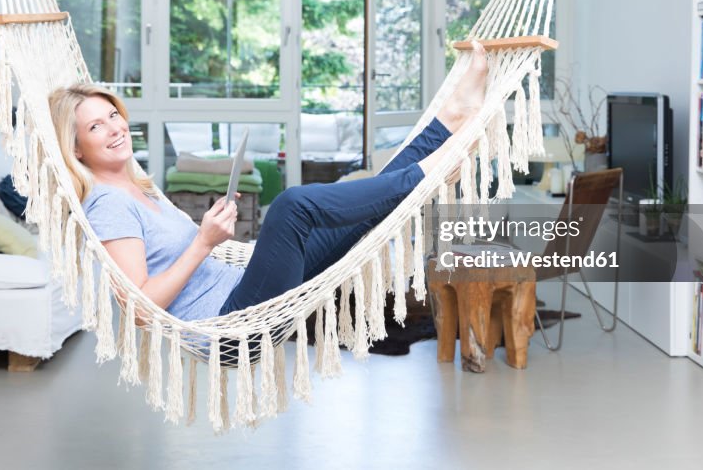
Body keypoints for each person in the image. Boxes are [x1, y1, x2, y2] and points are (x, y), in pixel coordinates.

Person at [48, 41, 489, 322]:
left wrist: (213, 231)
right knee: (292, 205)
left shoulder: (140, 186)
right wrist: (204, 241)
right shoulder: (106, 204)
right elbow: (141, 309)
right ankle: (433, 169)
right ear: (77, 149)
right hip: (233, 316)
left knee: (362, 211)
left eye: (112, 116)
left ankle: (449, 121)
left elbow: (183, 255)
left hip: (252, 286)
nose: (114, 128)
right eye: (95, 127)